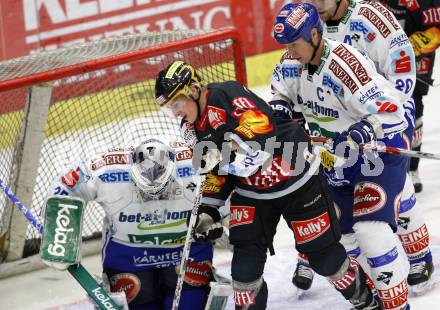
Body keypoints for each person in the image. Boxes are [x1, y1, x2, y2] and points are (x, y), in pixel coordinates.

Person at [155, 60, 379, 310]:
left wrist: (227, 148)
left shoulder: (225, 94)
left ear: (194, 90)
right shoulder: (191, 130)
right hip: (251, 192)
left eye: (176, 103)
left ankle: (366, 301)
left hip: (296, 181)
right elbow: (215, 175)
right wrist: (208, 210)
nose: (175, 112)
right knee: (244, 274)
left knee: (326, 259)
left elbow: (260, 123)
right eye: (169, 107)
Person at [271, 2, 416, 309]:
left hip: (376, 155)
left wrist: (367, 127)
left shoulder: (346, 65)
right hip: (337, 162)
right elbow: (280, 92)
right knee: (344, 239)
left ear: (314, 34)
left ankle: (398, 304)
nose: (290, 52)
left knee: (371, 231)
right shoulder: (290, 62)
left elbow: (394, 112)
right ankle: (374, 299)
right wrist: (282, 109)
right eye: (286, 46)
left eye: (294, 44)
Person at [42, 139, 214, 309]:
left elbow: (232, 179)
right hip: (129, 256)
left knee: (191, 304)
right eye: (145, 191)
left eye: (161, 191)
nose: (153, 198)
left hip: (188, 249)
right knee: (140, 304)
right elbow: (66, 186)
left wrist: (233, 225)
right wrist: (59, 236)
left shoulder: (196, 164)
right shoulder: (108, 168)